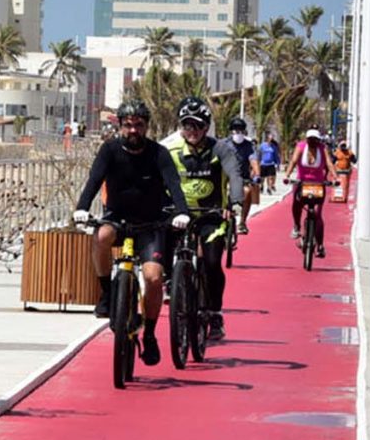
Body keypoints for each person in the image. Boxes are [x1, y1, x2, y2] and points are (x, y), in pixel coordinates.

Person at [74, 101, 192, 366]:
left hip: (151, 224)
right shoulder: (109, 150)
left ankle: (149, 334)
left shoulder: (158, 153)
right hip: (118, 218)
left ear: (146, 127)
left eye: (138, 125)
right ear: (120, 127)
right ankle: (106, 294)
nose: (133, 130)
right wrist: (81, 208)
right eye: (127, 125)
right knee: (101, 236)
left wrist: (182, 212)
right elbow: (94, 180)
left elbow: (174, 185)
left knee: (152, 278)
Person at [167, 98, 244, 342]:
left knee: (211, 262)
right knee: (161, 245)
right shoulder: (171, 151)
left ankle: (214, 313)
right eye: (186, 125)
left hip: (213, 216)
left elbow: (234, 173)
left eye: (197, 126)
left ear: (206, 127)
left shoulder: (221, 148)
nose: (191, 131)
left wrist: (236, 201)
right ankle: (174, 282)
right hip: (180, 214)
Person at [288, 128, 333, 256]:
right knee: (296, 203)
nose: (313, 142)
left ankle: (320, 246)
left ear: (318, 140)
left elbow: (329, 164)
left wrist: (334, 178)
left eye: (315, 139)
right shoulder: (301, 147)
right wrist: (287, 175)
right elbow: (294, 160)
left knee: (318, 216)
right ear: (306, 139)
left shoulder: (323, 149)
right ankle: (296, 226)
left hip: (318, 184)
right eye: (310, 139)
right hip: (302, 183)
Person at [226, 117, 259, 226]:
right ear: (231, 131)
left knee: (247, 192)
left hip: (242, 177)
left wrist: (257, 174)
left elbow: (253, 160)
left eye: (241, 130)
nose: (238, 132)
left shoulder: (249, 145)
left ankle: (242, 222)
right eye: (235, 130)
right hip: (225, 176)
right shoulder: (224, 144)